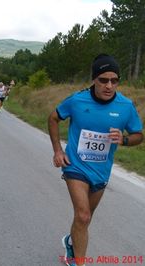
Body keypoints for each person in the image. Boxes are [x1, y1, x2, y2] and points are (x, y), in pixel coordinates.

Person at [48, 54, 143, 266]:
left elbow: (138, 135)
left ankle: (71, 241)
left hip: (101, 171)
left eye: (114, 80)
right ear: (94, 79)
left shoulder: (125, 106)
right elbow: (53, 118)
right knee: (83, 216)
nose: (109, 85)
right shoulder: (77, 100)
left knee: (85, 217)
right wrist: (57, 151)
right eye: (103, 80)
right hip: (75, 166)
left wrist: (124, 139)